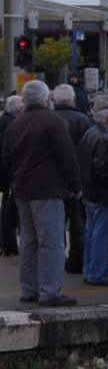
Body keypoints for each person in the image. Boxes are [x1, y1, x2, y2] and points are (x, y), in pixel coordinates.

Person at [2, 80, 82, 306]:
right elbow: (67, 156)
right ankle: (50, 291)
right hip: (48, 189)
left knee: (28, 241)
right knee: (52, 242)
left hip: (22, 189)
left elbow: (6, 159)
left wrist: (17, 178)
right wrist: (75, 184)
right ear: (48, 99)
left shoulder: (15, 124)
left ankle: (29, 289)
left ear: (25, 100)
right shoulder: (53, 120)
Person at [76, 99, 108, 287]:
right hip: (103, 194)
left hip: (91, 192)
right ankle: (97, 274)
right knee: (103, 235)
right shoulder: (104, 137)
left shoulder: (91, 133)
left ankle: (90, 270)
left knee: (92, 234)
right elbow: (102, 168)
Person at [54, 83, 92, 274]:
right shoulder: (83, 121)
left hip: (52, 183)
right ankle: (77, 261)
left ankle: (57, 260)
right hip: (78, 182)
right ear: (74, 99)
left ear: (54, 99)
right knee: (78, 223)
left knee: (56, 226)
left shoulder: (48, 119)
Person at [0, 95, 26, 256]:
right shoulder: (14, 125)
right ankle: (8, 243)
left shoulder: (4, 121)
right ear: (20, 110)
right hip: (10, 174)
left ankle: (6, 243)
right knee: (13, 211)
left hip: (4, 173)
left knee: (7, 209)